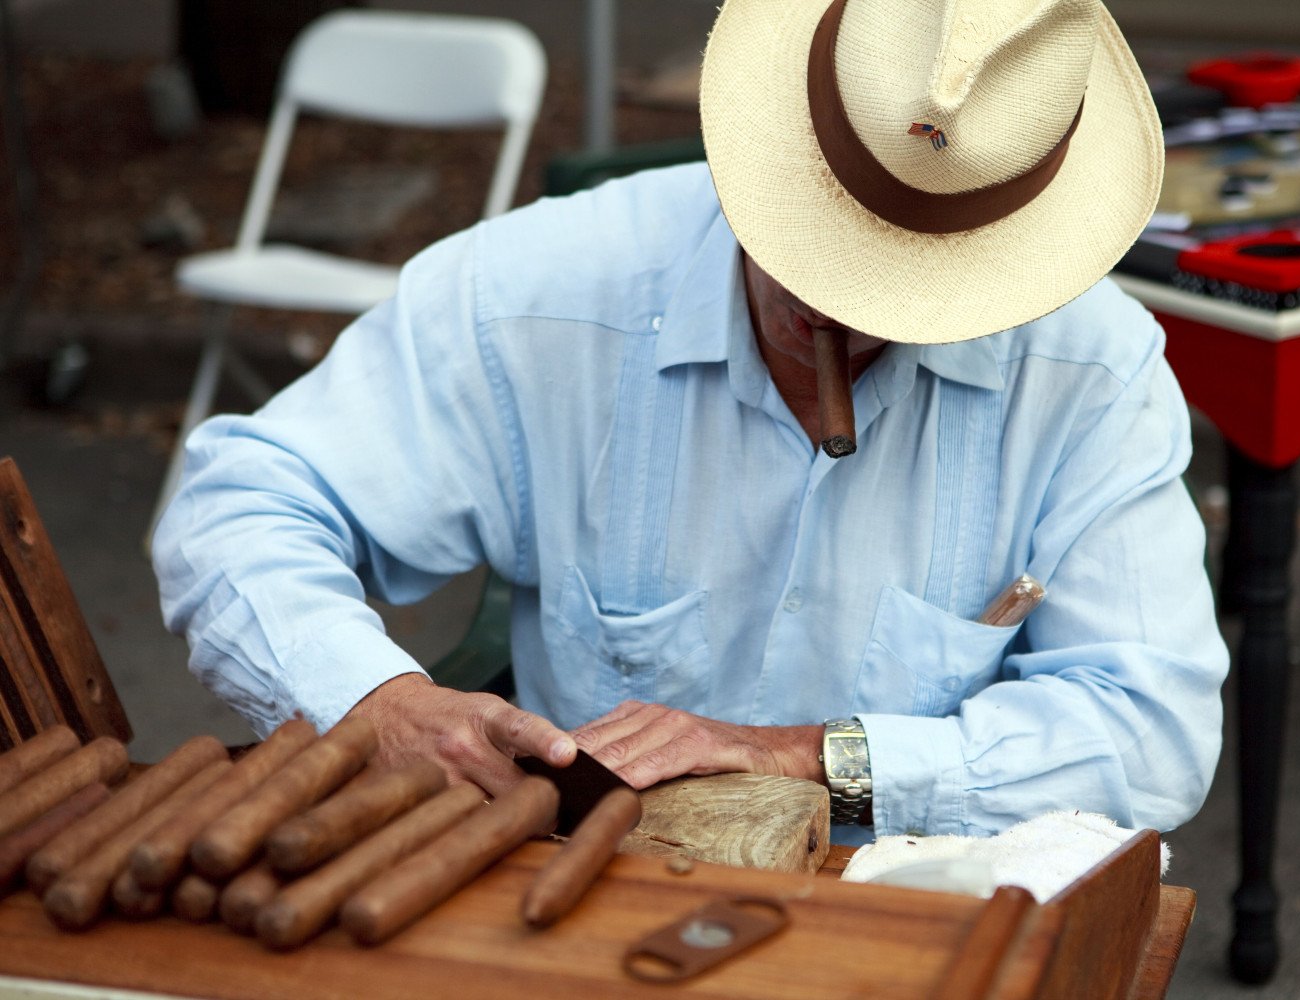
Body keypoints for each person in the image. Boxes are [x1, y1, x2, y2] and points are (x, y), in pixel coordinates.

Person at [153, 0, 1228, 841]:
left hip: (912, 902)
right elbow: (243, 503)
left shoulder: (1090, 367)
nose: (830, 310)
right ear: (771, 151)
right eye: (818, 246)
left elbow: (1151, 732)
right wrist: (375, 700)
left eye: (893, 289)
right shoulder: (547, 290)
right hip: (589, 890)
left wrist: (809, 758)